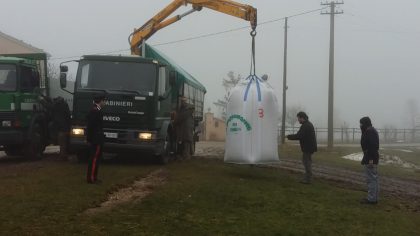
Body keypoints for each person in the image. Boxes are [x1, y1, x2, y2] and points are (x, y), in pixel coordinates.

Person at [287, 111, 317, 184]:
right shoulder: (308, 124)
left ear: (302, 118)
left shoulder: (305, 126)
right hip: (310, 147)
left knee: (306, 162)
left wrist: (288, 136)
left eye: (298, 118)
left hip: (308, 147)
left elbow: (299, 136)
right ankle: (308, 178)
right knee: (307, 161)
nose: (298, 120)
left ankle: (308, 179)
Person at [359, 116, 379, 204]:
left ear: (365, 123)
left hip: (370, 158)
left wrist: (370, 159)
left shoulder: (370, 132)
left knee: (371, 179)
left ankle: (371, 199)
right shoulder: (370, 131)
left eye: (361, 124)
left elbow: (372, 146)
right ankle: (374, 198)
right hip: (370, 157)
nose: (360, 125)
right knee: (373, 178)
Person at [86, 95, 106, 184]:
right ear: (100, 101)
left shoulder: (96, 110)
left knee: (96, 158)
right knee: (94, 159)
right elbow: (91, 126)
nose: (105, 103)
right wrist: (90, 138)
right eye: (104, 101)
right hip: (96, 138)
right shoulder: (95, 111)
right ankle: (91, 178)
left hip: (96, 138)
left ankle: (94, 177)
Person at [173, 96, 194, 160]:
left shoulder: (187, 109)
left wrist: (174, 122)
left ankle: (186, 156)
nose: (182, 102)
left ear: (185, 101)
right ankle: (185, 155)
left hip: (186, 129)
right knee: (184, 142)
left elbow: (180, 118)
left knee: (186, 142)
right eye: (182, 101)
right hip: (184, 129)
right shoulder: (185, 109)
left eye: (183, 101)